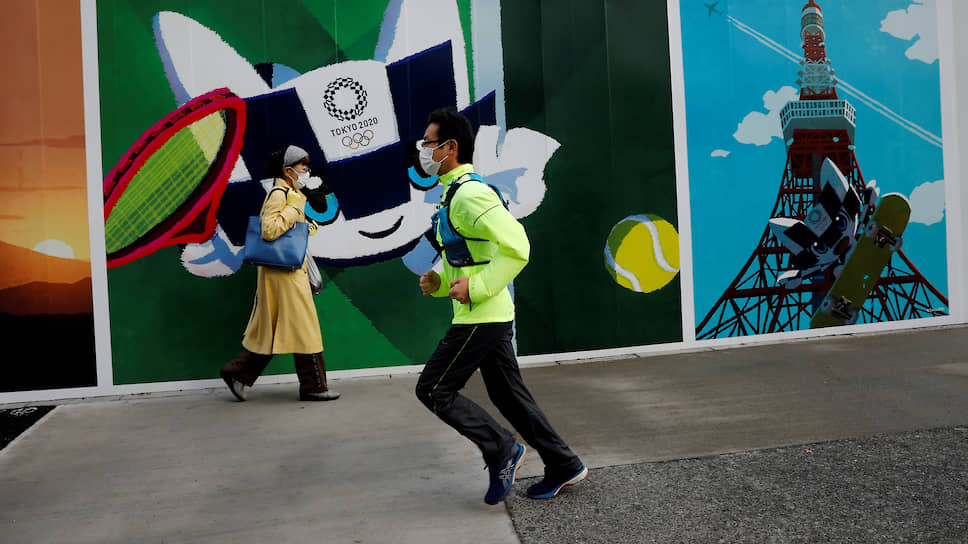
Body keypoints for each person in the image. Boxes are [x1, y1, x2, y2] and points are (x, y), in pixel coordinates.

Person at [415, 109, 586, 504]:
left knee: (434, 389)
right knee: (510, 398)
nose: (423, 150)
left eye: (428, 143)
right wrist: (440, 282)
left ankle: (501, 449)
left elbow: (517, 246)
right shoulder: (454, 193)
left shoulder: (470, 194)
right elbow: (472, 254)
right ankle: (564, 464)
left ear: (450, 147)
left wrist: (476, 288)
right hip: (486, 314)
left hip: (482, 316)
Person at [220, 145, 340, 402]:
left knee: (273, 329)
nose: (307, 169)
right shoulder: (280, 193)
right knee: (304, 327)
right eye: (302, 165)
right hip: (285, 273)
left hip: (284, 272)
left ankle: (237, 373)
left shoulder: (290, 192)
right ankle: (313, 386)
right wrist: (294, 209)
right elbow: (269, 230)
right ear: (288, 170)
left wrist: (303, 221)